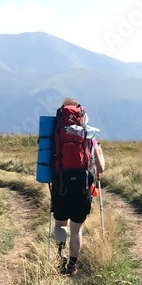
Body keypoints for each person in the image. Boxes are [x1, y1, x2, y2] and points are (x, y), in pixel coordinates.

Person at [50, 98, 105, 275]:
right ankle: (72, 266)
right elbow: (101, 169)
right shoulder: (89, 137)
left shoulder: (56, 135)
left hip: (61, 186)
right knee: (76, 230)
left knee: (60, 225)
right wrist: (99, 152)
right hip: (82, 187)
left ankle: (60, 257)